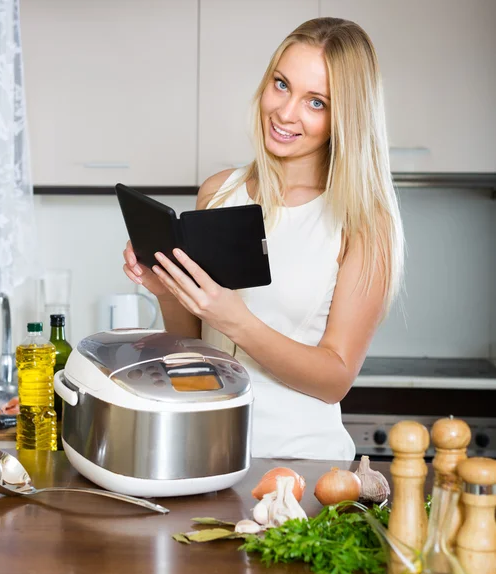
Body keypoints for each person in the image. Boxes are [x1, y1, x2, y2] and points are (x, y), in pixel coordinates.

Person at [123, 17, 404, 461]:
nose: (286, 112)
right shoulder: (219, 192)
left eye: (316, 102)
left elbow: (335, 379)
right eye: (281, 84)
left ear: (344, 117)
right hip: (205, 454)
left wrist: (239, 321)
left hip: (301, 467)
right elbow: (199, 352)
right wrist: (169, 292)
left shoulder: (363, 223)